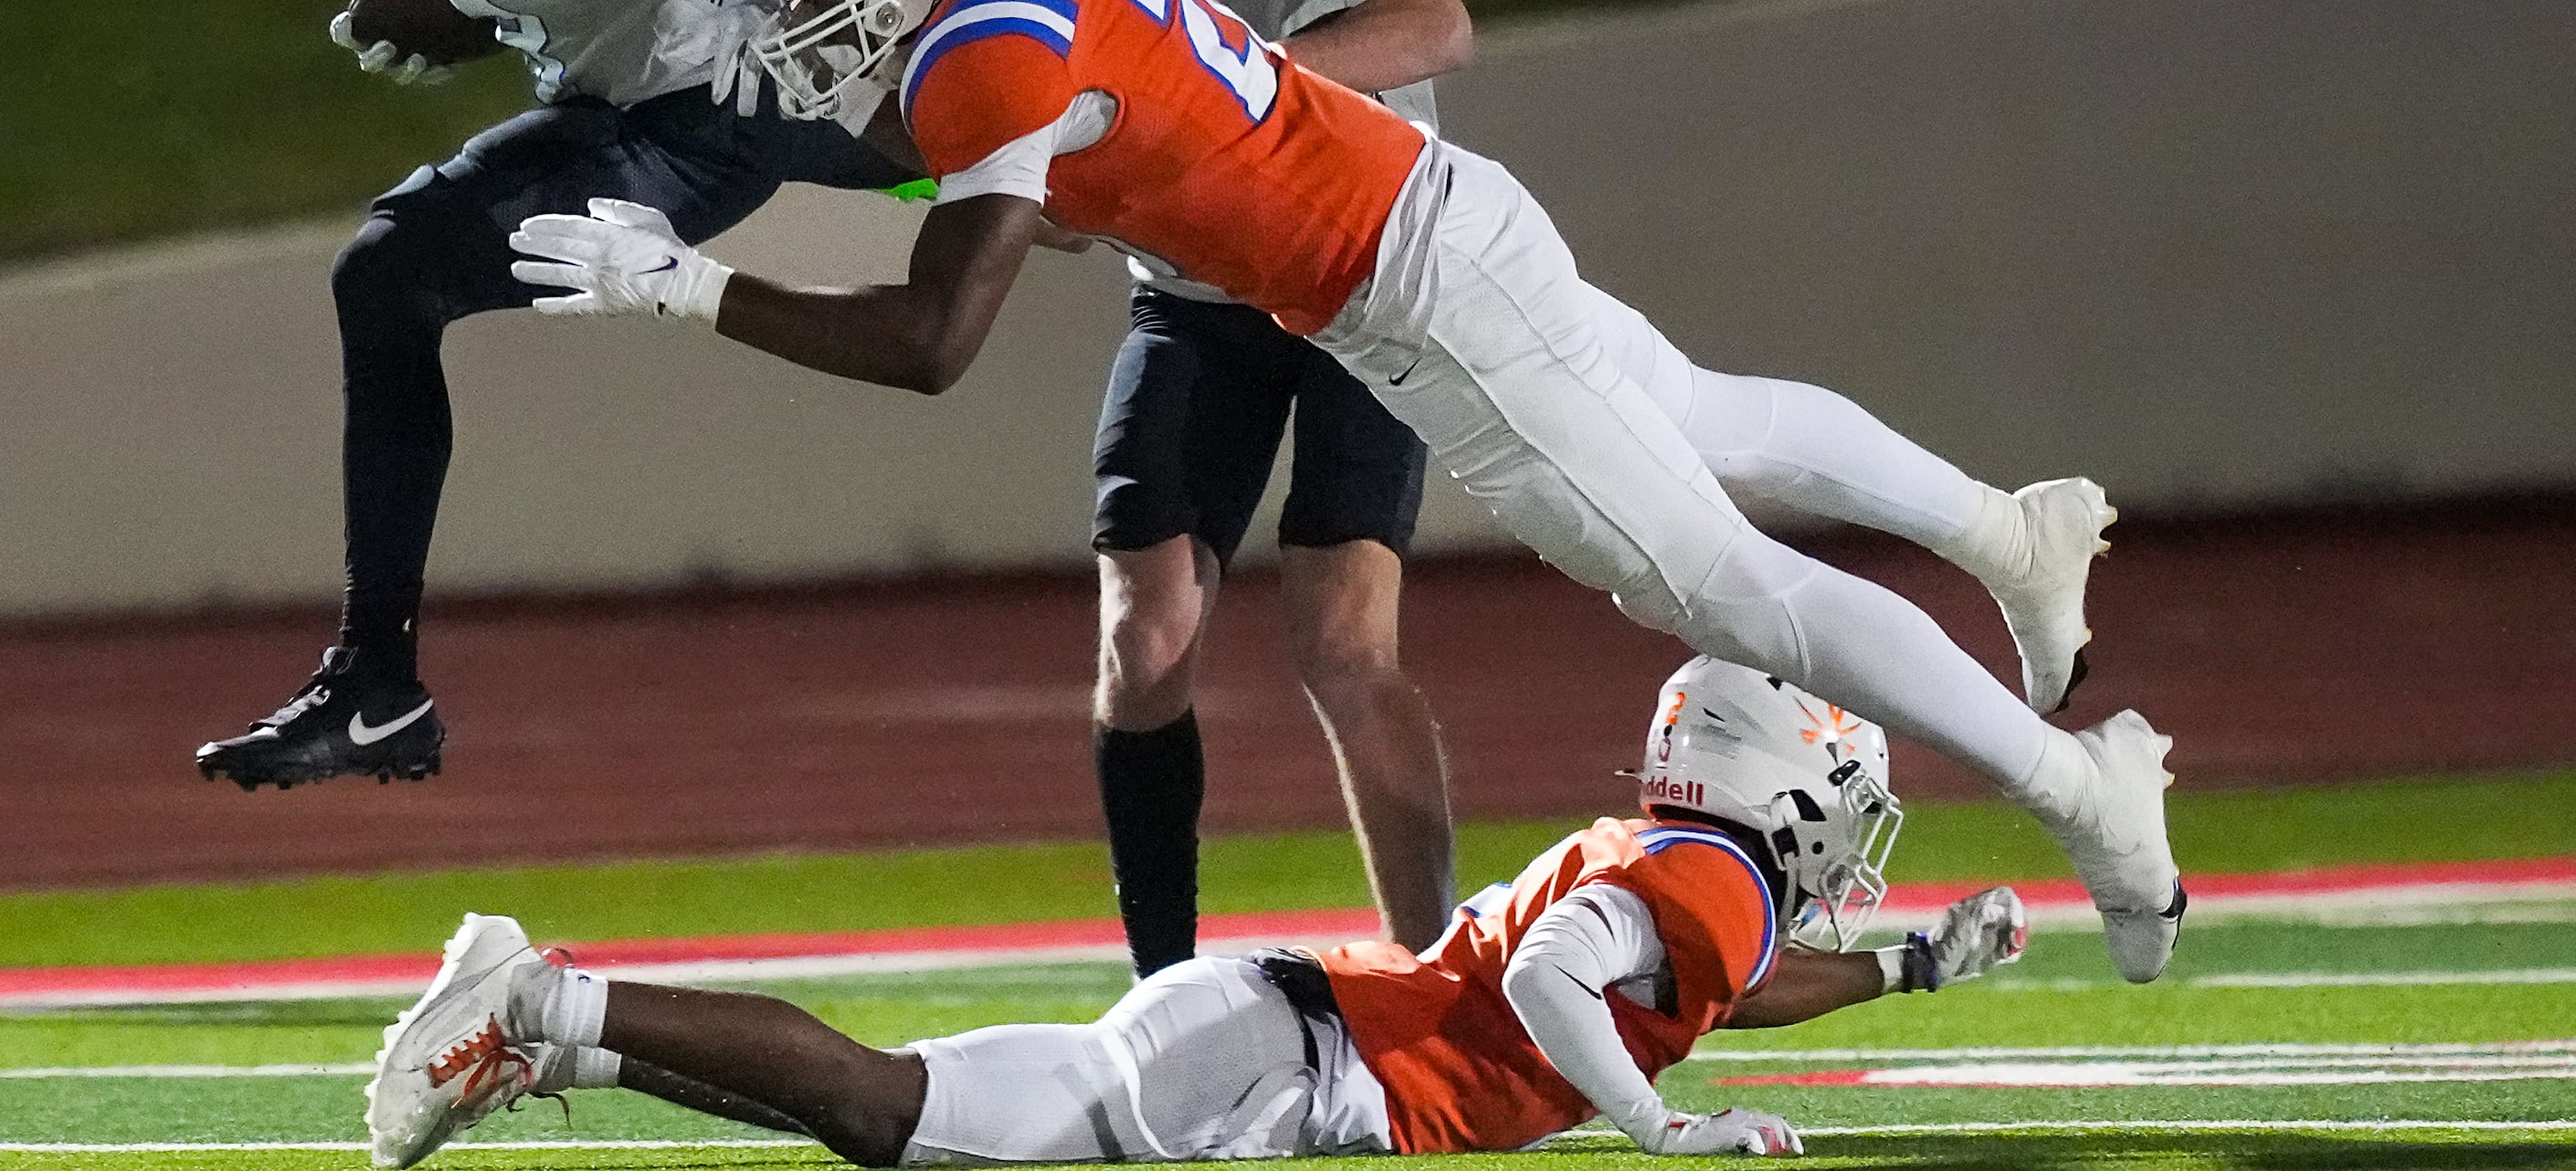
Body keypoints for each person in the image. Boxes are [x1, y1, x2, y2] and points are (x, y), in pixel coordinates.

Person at [506, 0, 2183, 984]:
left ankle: (2078, 786)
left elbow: (936, 340)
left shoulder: (999, 38)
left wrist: (695, 290)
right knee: (1706, 416)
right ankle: (2004, 531)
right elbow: (941, 117)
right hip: (1430, 215)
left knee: (1732, 589)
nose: (799, 7)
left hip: (1407, 290)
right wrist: (778, 109)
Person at [187, 0, 918, 791]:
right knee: (1019, 170)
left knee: (391, 271)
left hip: (699, 107)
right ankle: (376, 685)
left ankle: (376, 686)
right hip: (665, 88)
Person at [364, 656, 2032, 1166]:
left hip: (1282, 1037)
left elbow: (1723, 985)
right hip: (1281, 1058)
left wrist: (1905, 965)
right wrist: (1656, 1129)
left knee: (902, 1132)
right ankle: (545, 998)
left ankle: (558, 1052)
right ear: (1781, 786)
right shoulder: (1709, 877)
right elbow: (1548, 981)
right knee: (904, 1109)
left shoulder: (1708, 884)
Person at [1013, 0, 1473, 969]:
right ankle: (1160, 984)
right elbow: (1037, 178)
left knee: (1344, 643)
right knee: (1142, 634)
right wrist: (1045, 177)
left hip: (1357, 276)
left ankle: (1442, 976)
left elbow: (1434, 25)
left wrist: (1232, 95)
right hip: (1195, 295)